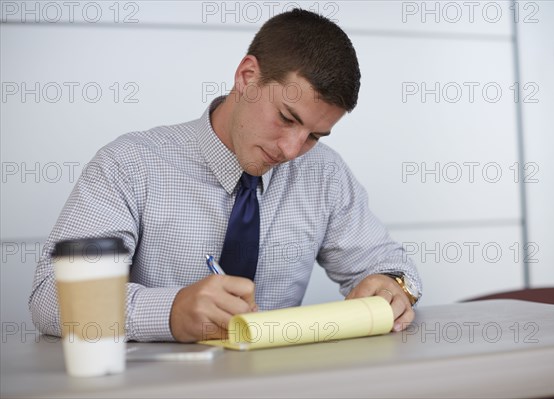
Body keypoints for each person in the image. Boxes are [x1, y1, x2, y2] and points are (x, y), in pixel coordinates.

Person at [29, 9, 422, 343]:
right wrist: (169, 312)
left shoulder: (324, 174)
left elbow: (389, 264)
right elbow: (50, 296)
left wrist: (394, 286)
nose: (290, 150)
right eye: (286, 118)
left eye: (314, 136)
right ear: (247, 76)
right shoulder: (130, 165)